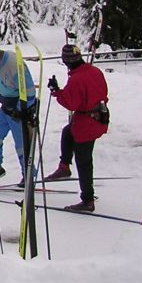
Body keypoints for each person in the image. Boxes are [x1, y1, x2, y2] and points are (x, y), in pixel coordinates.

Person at [44, 44, 109, 212]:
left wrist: (56, 91)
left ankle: (87, 200)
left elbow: (71, 103)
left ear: (67, 62)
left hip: (86, 122)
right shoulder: (94, 71)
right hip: (99, 116)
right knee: (67, 132)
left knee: (84, 161)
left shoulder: (77, 79)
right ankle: (64, 167)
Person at [0, 44, 36, 186]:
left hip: (19, 110)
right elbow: (1, 76)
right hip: (6, 107)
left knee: (22, 145)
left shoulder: (15, 65)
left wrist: (22, 110)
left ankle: (28, 175)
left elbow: (30, 91)